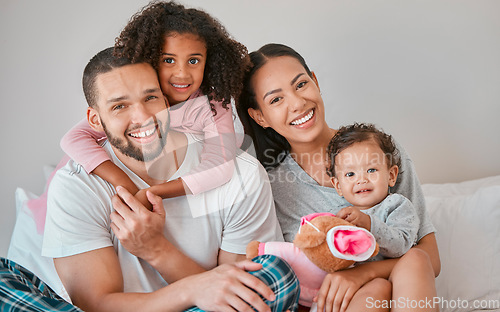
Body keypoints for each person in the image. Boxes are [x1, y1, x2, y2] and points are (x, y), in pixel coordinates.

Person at [38, 47, 299, 312]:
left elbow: (240, 299)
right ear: (95, 120)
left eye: (150, 98)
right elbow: (96, 304)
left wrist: (156, 250)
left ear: (166, 101)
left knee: (277, 277)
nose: (142, 117)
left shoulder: (242, 176)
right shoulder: (76, 185)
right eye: (120, 106)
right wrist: (193, 289)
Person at [236, 43, 441, 312]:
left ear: (315, 81)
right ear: (260, 116)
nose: (297, 103)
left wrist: (362, 274)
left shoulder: (377, 152)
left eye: (300, 85)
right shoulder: (270, 186)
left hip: (403, 291)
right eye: (276, 99)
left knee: (403, 267)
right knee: (377, 290)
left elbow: (430, 258)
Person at [60, 1, 247, 209]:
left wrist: (153, 193)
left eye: (193, 61)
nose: (182, 73)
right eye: (169, 60)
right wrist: (126, 185)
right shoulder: (135, 104)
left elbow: (220, 166)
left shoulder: (213, 104)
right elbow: (73, 138)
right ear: (149, 59)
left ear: (209, 61)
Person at [327, 122, 419, 261]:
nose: (361, 180)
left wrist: (369, 224)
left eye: (371, 170)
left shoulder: (396, 205)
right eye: (350, 174)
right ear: (338, 186)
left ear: (391, 175)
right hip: (357, 279)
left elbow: (402, 245)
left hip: (394, 273)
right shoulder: (341, 216)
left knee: (381, 284)